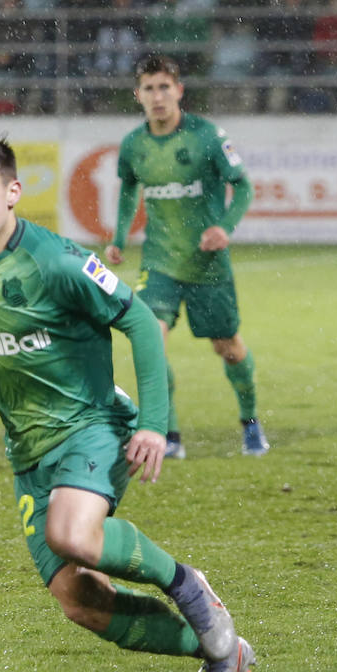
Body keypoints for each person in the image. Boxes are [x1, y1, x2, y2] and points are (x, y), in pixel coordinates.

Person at [0, 135, 252, 672]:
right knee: (80, 601)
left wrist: (153, 425)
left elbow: (139, 322)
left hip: (94, 424)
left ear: (13, 193)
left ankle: (186, 583)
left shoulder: (58, 261)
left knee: (72, 533)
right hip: (27, 451)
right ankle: (219, 652)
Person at [105, 54, 269, 458]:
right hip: (159, 263)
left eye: (165, 87)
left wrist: (223, 229)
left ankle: (250, 422)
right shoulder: (133, 145)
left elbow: (243, 187)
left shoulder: (207, 136)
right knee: (150, 341)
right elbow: (129, 190)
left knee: (227, 347)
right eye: (149, 88)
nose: (157, 96)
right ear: (137, 95)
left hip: (206, 265)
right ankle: (169, 433)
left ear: (179, 90)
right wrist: (119, 239)